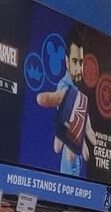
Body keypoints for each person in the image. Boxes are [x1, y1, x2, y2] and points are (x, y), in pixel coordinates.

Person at [36, 28, 94, 177]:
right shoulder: (64, 86)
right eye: (75, 62)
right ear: (67, 62)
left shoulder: (78, 91)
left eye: (81, 62)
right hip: (68, 165)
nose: (79, 68)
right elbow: (61, 98)